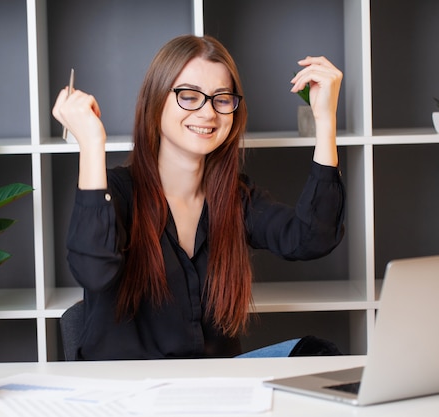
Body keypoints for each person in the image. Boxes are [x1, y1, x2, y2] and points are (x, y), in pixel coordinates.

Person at [52, 34, 345, 360]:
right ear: (155, 101)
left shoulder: (235, 198)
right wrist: (91, 144)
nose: (207, 113)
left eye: (221, 99)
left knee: (317, 355)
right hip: (130, 396)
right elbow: (93, 272)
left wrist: (325, 120)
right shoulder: (118, 194)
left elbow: (312, 238)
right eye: (189, 96)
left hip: (213, 390)